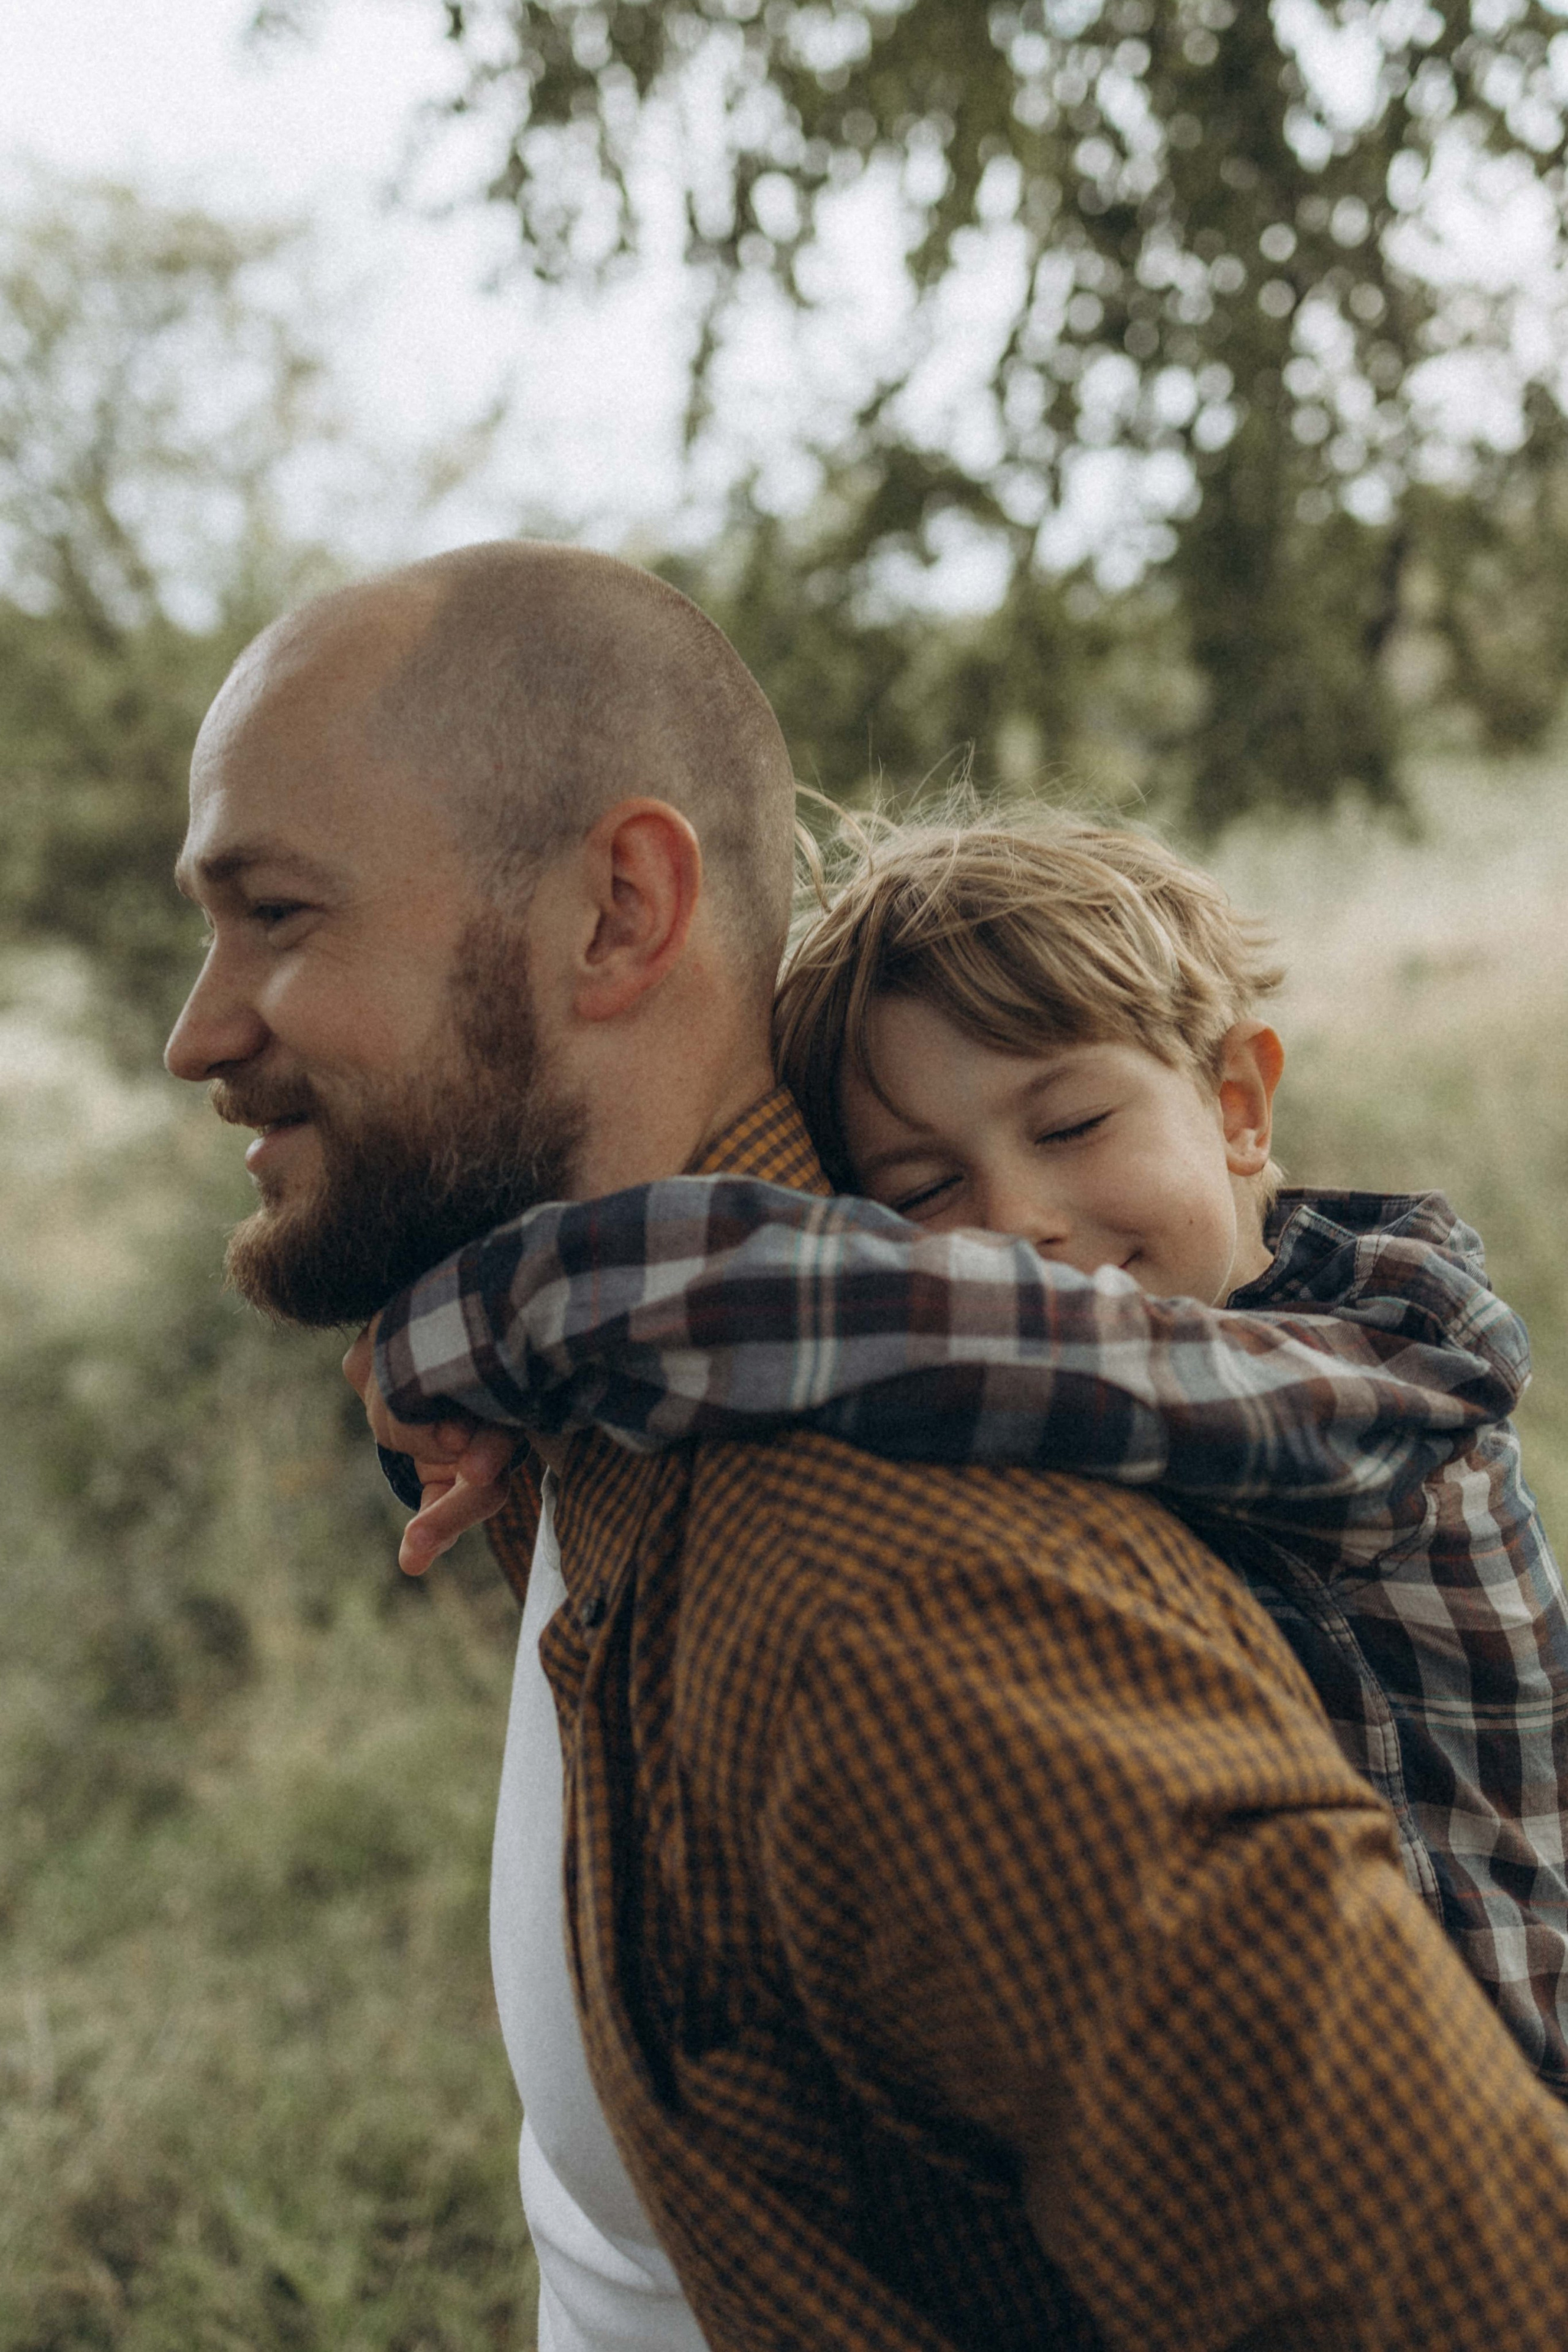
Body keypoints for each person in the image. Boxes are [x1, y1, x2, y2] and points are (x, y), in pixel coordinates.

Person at [167, 540, 1568, 2352]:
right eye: (924, 1187)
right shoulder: (644, 1394)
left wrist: (489, 1326)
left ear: (616, 914)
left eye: (277, 915)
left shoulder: (910, 1600)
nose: (197, 1028)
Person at [365, 815, 1568, 2096]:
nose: (1013, 1225)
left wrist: (489, 1322)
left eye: (1070, 1126)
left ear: (1236, 1106)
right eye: (921, 1192)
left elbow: (932, 1329)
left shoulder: (1381, 1382)